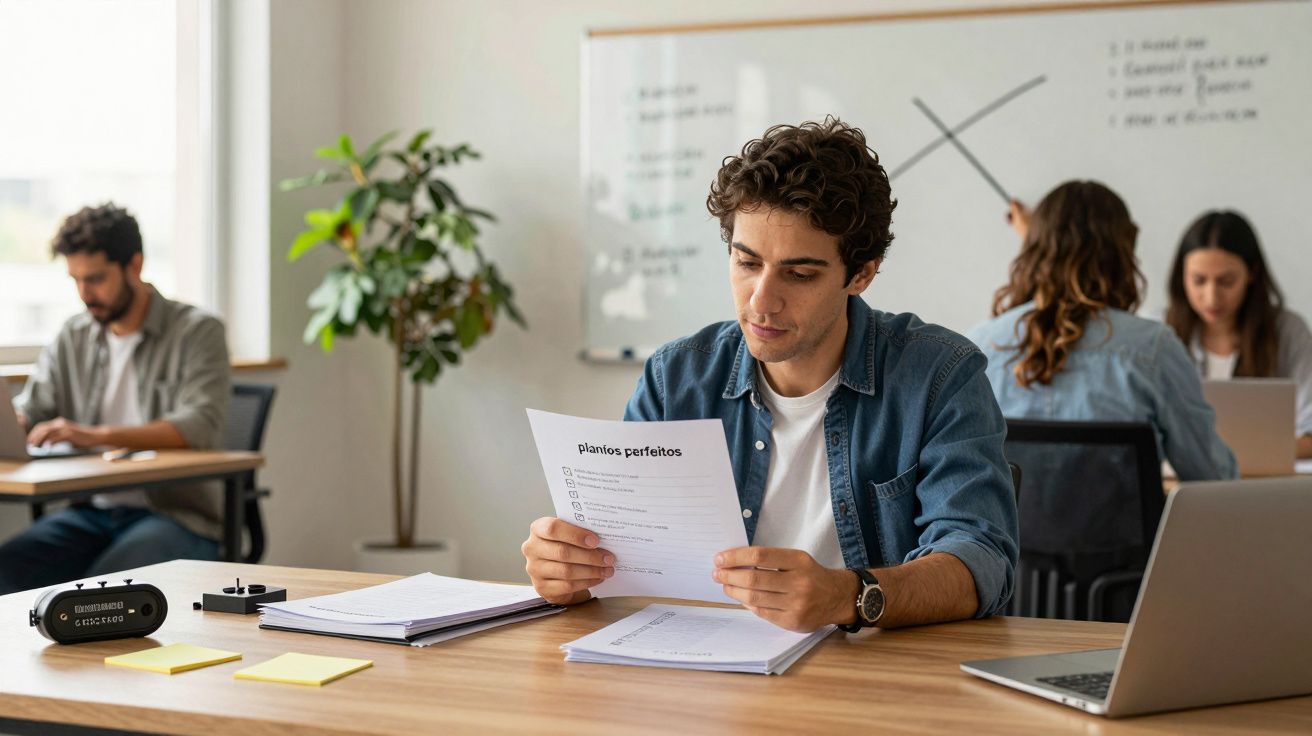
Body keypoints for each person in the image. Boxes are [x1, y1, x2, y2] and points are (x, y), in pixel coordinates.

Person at [522, 119, 1019, 633]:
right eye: (746, 262)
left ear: (862, 274)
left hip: (872, 680)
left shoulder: (941, 375)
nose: (762, 300)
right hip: (700, 670)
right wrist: (570, 570)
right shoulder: (676, 377)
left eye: (799, 275)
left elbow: (980, 560)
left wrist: (849, 595)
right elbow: (620, 553)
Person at [1, 203, 231, 595]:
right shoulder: (73, 335)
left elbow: (199, 425)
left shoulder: (197, 331)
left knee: (100, 589)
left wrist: (94, 434)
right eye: (75, 279)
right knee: (8, 569)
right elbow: (32, 410)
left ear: (134, 265)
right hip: (89, 514)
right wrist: (17, 425)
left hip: (174, 515)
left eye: (96, 279)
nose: (85, 294)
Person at [968, 181, 1236, 480]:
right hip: (1126, 528)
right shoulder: (1153, 349)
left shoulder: (977, 348)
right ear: (1124, 254)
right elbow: (1213, 475)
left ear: (1034, 248)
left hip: (1007, 529)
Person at [1165, 211, 1312, 459]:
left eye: (1227, 281)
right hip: (1175, 485)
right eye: (1199, 281)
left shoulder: (1287, 331)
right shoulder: (1159, 331)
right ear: (1182, 277)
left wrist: (1236, 455)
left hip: (1263, 488)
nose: (1211, 297)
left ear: (1252, 273)